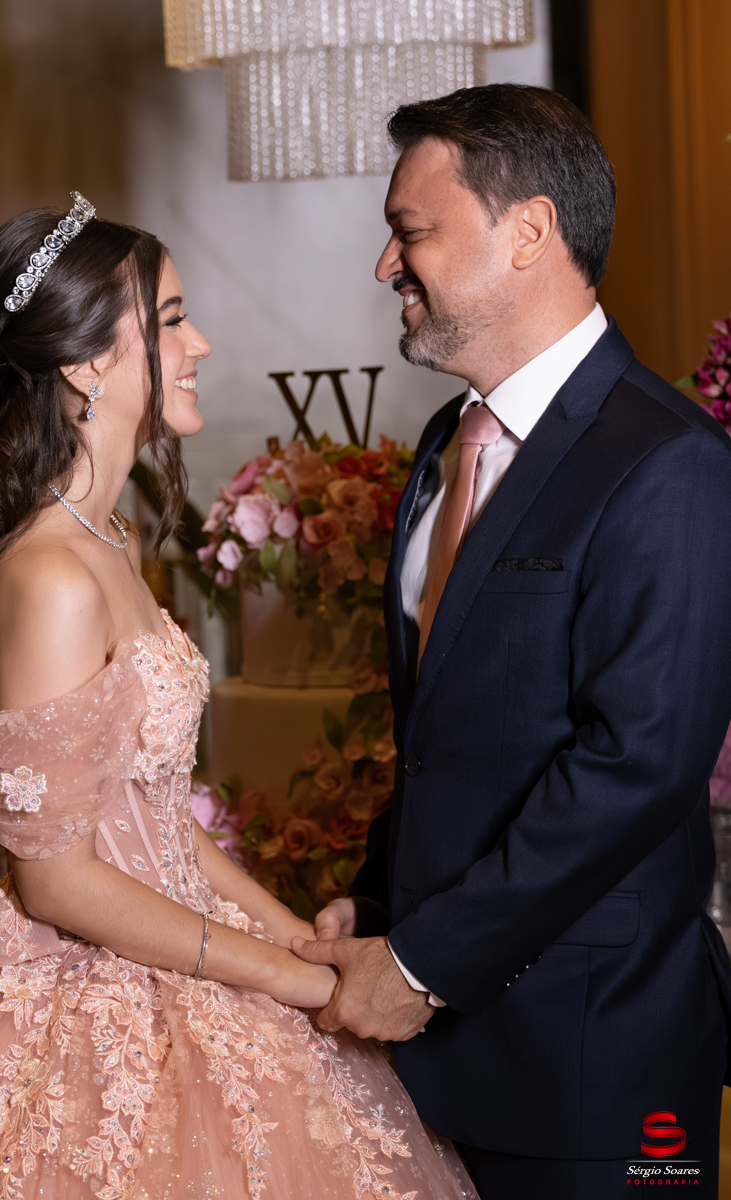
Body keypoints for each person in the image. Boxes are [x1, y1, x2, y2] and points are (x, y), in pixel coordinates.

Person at [0, 195, 476, 1200]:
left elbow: (156, 826)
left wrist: (298, 936)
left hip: (176, 936)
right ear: (85, 363)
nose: (201, 345)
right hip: (95, 991)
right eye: (173, 320)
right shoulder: (49, 578)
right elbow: (58, 882)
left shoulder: (111, 540)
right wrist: (287, 977)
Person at [293, 84, 731, 1198]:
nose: (386, 267)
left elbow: (635, 767)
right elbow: (452, 739)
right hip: (428, 1059)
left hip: (592, 1061)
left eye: (410, 232)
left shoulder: (668, 463)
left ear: (528, 231)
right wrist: (379, 900)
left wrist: (419, 964)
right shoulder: (448, 443)